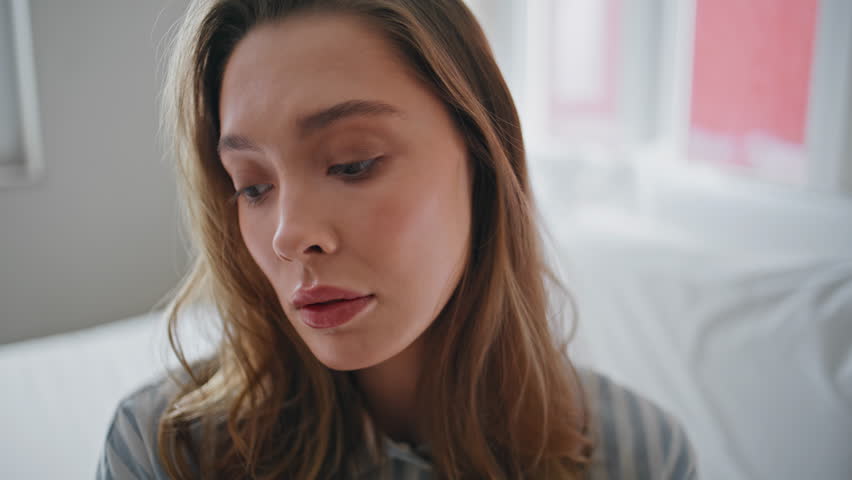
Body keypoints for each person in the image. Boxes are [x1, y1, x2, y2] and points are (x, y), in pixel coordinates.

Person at [97, 0, 698, 478]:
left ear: (481, 159)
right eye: (253, 186)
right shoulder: (166, 451)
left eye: (353, 164)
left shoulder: (639, 458)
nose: (288, 235)